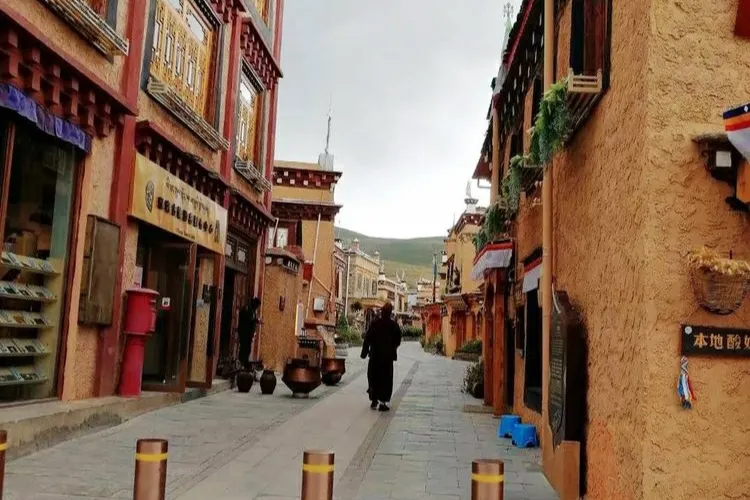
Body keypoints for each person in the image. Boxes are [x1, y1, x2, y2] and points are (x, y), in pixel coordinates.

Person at [361, 302, 402, 411]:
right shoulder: (393, 326)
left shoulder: (375, 324)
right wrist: (392, 348)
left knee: (373, 377)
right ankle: (383, 402)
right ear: (390, 312)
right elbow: (398, 340)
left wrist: (364, 352)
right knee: (385, 379)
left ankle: (374, 400)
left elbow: (367, 338)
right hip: (387, 358)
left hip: (375, 356)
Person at [237, 297, 261, 371]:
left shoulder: (253, 310)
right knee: (244, 349)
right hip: (245, 333)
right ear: (254, 303)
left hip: (249, 334)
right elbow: (247, 319)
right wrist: (255, 320)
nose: (257, 308)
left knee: (247, 349)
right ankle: (241, 364)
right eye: (257, 306)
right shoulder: (247, 308)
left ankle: (244, 364)